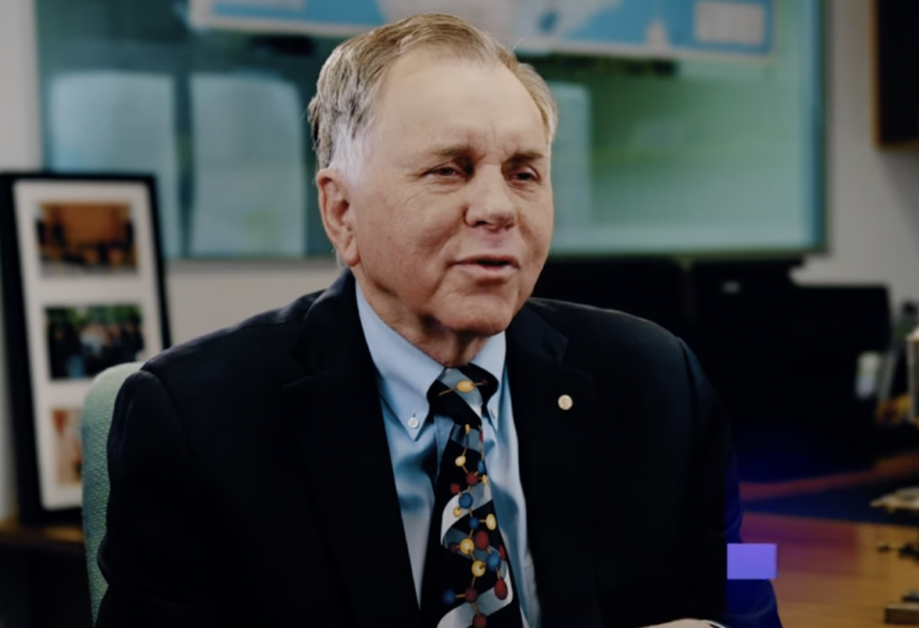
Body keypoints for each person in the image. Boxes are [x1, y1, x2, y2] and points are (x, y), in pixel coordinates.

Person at [96, 13, 780, 628]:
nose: (498, 208)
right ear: (341, 213)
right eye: (450, 171)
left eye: (523, 173)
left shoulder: (662, 378)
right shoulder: (194, 421)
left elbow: (750, 572)